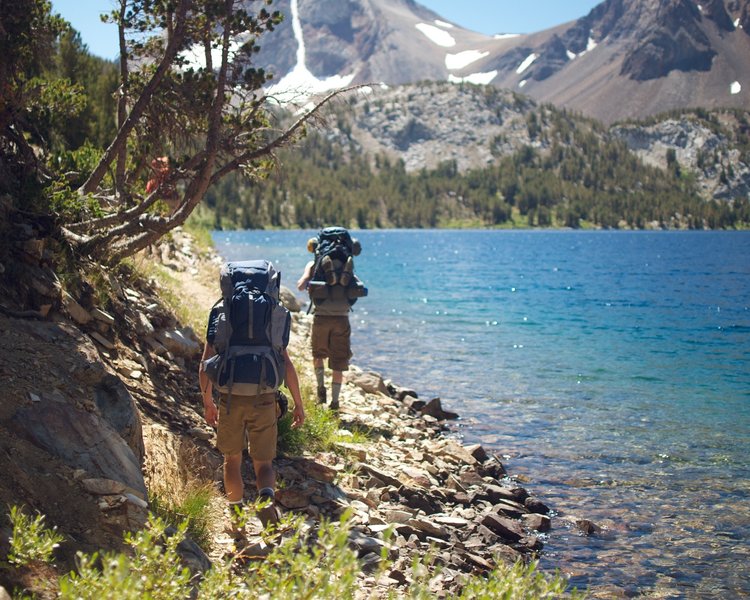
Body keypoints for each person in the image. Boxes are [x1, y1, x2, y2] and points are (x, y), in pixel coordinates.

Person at [199, 323, 305, 531]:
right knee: (264, 464)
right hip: (265, 398)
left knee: (232, 460)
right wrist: (299, 404)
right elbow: (286, 364)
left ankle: (237, 522)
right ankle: (265, 497)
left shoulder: (223, 309)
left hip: (230, 399)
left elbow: (205, 363)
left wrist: (208, 402)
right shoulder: (272, 310)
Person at [297, 230, 363, 410]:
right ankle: (335, 402)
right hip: (342, 319)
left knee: (318, 355)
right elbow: (358, 288)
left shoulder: (314, 264)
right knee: (339, 361)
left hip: (321, 317)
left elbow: (301, 285)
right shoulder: (346, 264)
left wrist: (311, 279)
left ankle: (320, 390)